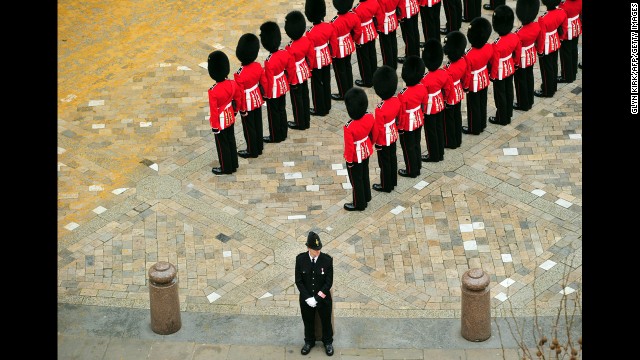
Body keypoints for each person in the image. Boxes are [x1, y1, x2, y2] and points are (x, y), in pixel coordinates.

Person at [295, 231, 334, 356]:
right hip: (306, 299)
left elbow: (328, 283)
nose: (317, 252)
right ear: (308, 248)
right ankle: (309, 341)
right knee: (308, 321)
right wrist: (307, 298)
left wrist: (317, 298)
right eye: (315, 249)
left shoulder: (327, 260)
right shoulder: (300, 259)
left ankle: (328, 342)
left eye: (319, 249)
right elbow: (299, 281)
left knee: (326, 321)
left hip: (323, 299)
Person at [259, 21, 295, 143]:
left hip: (273, 89)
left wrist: (266, 95)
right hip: (283, 84)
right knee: (282, 109)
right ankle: (283, 132)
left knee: (273, 114)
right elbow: (290, 69)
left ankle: (275, 136)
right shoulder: (284, 53)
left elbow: (268, 81)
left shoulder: (269, 61)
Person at [206, 50, 242, 175]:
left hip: (220, 121)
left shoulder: (213, 91)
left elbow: (214, 111)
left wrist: (215, 126)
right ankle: (234, 163)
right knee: (231, 139)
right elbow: (238, 99)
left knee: (222, 145)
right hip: (230, 116)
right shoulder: (232, 83)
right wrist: (235, 111)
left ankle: (226, 167)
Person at [343, 87, 375, 211]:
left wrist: (349, 161)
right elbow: (373, 133)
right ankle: (366, 196)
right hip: (366, 149)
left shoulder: (349, 127)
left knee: (356, 180)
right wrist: (369, 144)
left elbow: (349, 147)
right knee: (364, 174)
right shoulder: (369, 116)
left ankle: (359, 203)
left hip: (355, 156)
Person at [488, 5, 520, 126]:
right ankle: (508, 113)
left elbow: (495, 62)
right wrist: (516, 64)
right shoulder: (514, 37)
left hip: (500, 71)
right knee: (509, 91)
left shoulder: (496, 44)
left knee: (500, 95)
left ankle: (502, 118)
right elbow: (517, 52)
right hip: (510, 67)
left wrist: (492, 75)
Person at [233, 33, 265, 159]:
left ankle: (252, 150)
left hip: (247, 102)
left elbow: (240, 94)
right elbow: (263, 82)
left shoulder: (239, 74)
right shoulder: (257, 66)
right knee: (258, 123)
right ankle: (259, 146)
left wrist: (242, 109)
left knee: (249, 127)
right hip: (257, 97)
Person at [420, 39, 451, 163]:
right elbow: (447, 89)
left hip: (430, 106)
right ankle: (440, 152)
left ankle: (433, 155)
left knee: (430, 132)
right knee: (439, 128)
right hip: (439, 102)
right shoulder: (443, 73)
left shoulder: (425, 79)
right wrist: (444, 99)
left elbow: (422, 96)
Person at [397, 55, 428, 178]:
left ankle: (411, 170)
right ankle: (417, 166)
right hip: (418, 119)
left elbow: (402, 114)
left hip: (408, 124)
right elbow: (424, 104)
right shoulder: (422, 87)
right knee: (416, 144)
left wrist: (400, 128)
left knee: (408, 148)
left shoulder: (403, 94)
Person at [461, 16, 492, 135]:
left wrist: (465, 86)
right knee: (482, 102)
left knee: (473, 106)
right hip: (484, 78)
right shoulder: (488, 47)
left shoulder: (468, 55)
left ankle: (474, 128)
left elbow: (467, 74)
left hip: (474, 82)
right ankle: (482, 124)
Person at [371, 65, 400, 192]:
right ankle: (393, 181)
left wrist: (375, 142)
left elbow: (378, 129)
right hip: (393, 134)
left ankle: (386, 185)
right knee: (392, 158)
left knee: (384, 163)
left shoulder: (380, 108)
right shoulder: (396, 100)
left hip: (383, 138)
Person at [305, 0, 337, 116]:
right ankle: (327, 105)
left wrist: (310, 66)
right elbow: (333, 43)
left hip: (316, 61)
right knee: (327, 81)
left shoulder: (310, 33)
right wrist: (332, 55)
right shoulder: (329, 26)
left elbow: (310, 53)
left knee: (317, 84)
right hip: (326, 57)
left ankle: (320, 109)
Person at [284, 11, 314, 130]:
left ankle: (299, 123)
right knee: (305, 96)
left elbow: (291, 68)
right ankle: (306, 120)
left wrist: (289, 80)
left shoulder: (290, 48)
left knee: (297, 101)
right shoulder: (306, 40)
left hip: (296, 76)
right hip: (304, 70)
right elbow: (310, 56)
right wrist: (308, 68)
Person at [534, 0, 567, 98]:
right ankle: (553, 86)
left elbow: (542, 37)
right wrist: (560, 39)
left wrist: (539, 50)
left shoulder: (542, 18)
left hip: (546, 46)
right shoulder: (561, 11)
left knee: (546, 69)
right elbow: (564, 27)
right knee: (554, 65)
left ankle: (547, 91)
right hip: (555, 41)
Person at [513, 0, 541, 111]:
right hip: (531, 55)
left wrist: (515, 63)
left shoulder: (519, 33)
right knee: (529, 77)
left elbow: (518, 51)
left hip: (522, 59)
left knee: (521, 82)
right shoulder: (536, 26)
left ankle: (523, 104)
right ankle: (530, 100)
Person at [329, 0, 360, 101]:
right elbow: (357, 31)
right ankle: (349, 88)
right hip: (348, 45)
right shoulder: (353, 16)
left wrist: (332, 54)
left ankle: (343, 93)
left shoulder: (334, 23)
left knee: (340, 72)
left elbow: (333, 42)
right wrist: (353, 40)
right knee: (347, 67)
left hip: (339, 50)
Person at [442, 30, 467, 149]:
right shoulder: (463, 60)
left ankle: (451, 142)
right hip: (458, 91)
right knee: (457, 116)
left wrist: (445, 99)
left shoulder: (447, 69)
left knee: (450, 120)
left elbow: (447, 88)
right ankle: (458, 139)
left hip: (451, 95)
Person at [352, 0, 380, 88]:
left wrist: (355, 39)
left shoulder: (356, 9)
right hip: (371, 30)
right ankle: (375, 75)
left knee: (364, 59)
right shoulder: (373, 2)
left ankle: (367, 80)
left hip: (362, 35)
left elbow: (357, 28)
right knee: (372, 54)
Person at [557, 0, 582, 83]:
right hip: (576, 27)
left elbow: (560, 20)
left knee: (565, 54)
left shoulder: (563, 5)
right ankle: (573, 71)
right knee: (574, 50)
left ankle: (567, 76)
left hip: (567, 31)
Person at [374, 0, 401, 69]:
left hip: (384, 23)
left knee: (386, 48)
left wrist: (379, 27)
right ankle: (394, 65)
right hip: (393, 19)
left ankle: (388, 68)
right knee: (393, 44)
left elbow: (380, 13)